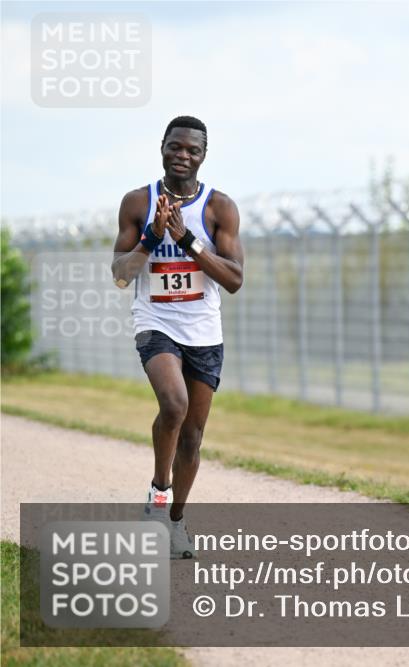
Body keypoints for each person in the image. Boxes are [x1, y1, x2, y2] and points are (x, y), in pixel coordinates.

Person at [111, 116, 244, 558]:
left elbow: (234, 279)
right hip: (157, 322)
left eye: (192, 150)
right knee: (173, 404)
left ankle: (174, 521)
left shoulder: (218, 208)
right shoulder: (137, 202)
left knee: (192, 436)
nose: (183, 155)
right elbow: (120, 275)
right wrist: (152, 236)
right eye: (176, 146)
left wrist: (186, 239)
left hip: (203, 329)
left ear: (203, 155)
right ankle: (158, 496)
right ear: (163, 147)